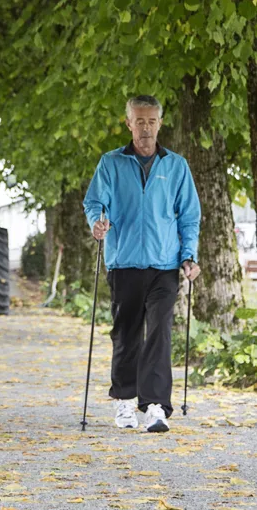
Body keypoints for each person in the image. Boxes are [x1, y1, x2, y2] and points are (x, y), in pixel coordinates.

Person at [83, 95, 201, 433]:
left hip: (165, 264)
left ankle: (155, 406)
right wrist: (97, 222)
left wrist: (188, 256)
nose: (146, 127)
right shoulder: (111, 163)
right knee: (126, 334)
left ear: (160, 123)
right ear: (129, 124)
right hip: (124, 263)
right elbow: (95, 202)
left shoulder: (176, 165)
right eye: (139, 121)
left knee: (159, 333)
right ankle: (124, 400)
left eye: (151, 121)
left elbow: (189, 216)